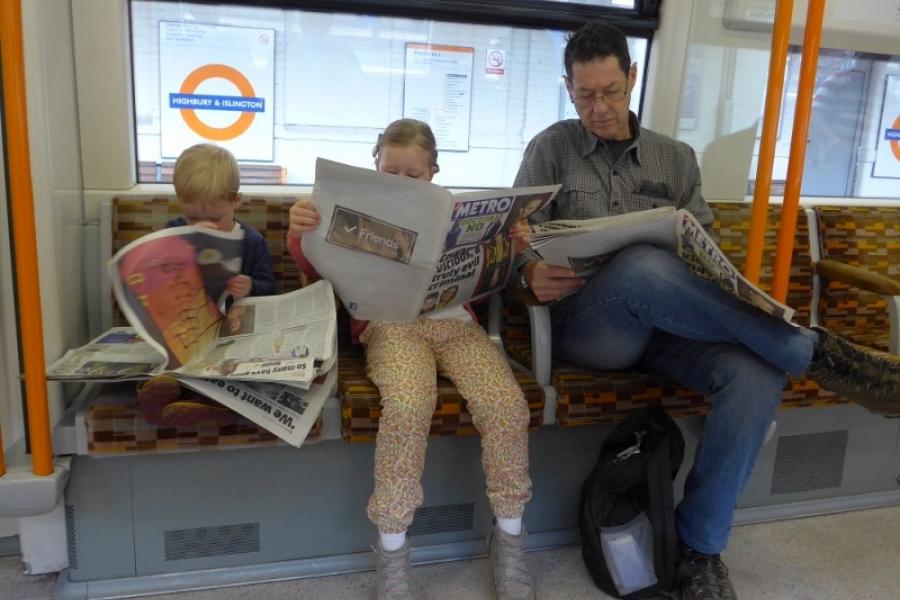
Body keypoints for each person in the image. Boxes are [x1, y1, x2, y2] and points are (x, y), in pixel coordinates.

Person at [512, 21, 900, 600]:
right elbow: (511, 241)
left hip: (671, 327)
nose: (599, 107)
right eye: (585, 94)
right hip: (594, 326)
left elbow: (706, 261)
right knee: (640, 264)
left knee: (755, 372)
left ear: (633, 79)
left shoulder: (676, 159)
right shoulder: (550, 148)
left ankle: (700, 551)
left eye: (611, 92)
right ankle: (815, 351)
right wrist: (528, 272)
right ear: (568, 87)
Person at [287, 118, 536, 600]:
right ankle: (393, 551)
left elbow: (482, 287)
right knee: (407, 406)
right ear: (374, 167)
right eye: (390, 172)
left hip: (456, 326)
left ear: (434, 174)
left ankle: (509, 539)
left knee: (506, 409)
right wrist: (300, 232)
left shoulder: (448, 214)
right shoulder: (351, 209)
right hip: (390, 325)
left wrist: (511, 247)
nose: (401, 183)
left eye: (414, 176)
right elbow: (313, 264)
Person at [166, 143, 276, 299]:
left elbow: (269, 287)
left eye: (215, 218)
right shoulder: (174, 233)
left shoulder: (253, 242)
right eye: (193, 217)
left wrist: (250, 286)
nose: (207, 226)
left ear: (236, 201)